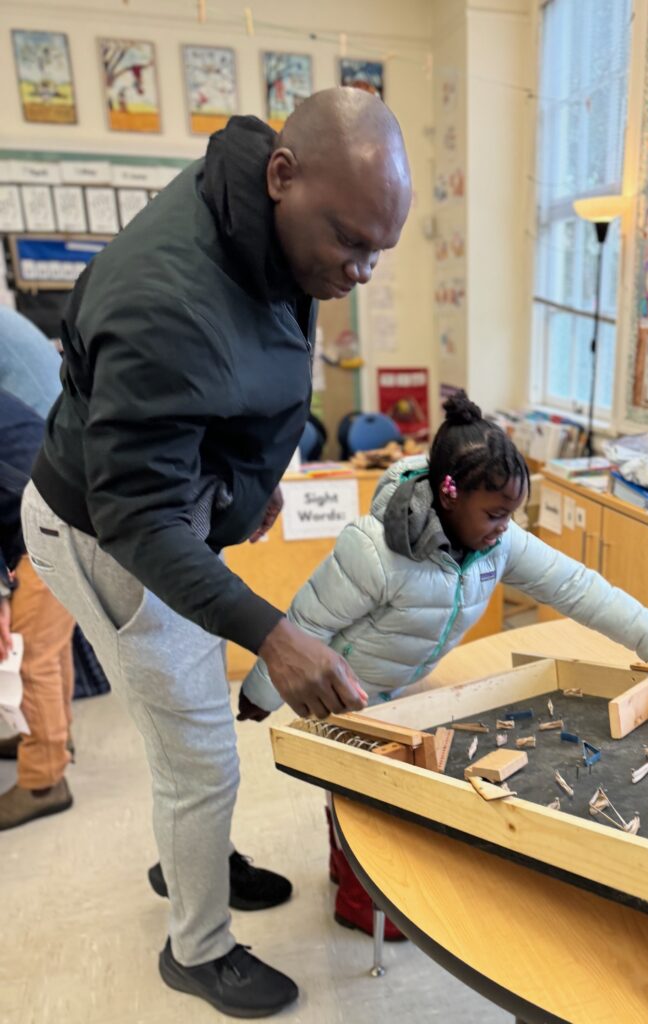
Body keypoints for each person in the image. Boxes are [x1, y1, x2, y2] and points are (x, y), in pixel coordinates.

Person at [21, 87, 412, 1018]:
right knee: (199, 754)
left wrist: (248, 480)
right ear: (282, 175)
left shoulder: (270, 223)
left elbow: (235, 383)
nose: (360, 272)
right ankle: (196, 949)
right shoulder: (166, 302)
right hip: (105, 535)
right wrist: (274, 635)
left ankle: (194, 854)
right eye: (350, 243)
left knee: (190, 737)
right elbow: (137, 521)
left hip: (164, 511)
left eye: (378, 251)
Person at [241, 391, 648, 932]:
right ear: (449, 495)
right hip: (346, 686)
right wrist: (261, 691)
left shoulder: (497, 542)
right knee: (362, 796)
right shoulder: (373, 551)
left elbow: (574, 585)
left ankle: (345, 872)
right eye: (495, 514)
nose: (505, 526)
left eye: (511, 514)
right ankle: (358, 904)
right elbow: (305, 623)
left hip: (401, 679)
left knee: (366, 794)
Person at [0, 389, 76, 830]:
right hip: (64, 511)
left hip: (45, 524)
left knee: (29, 655)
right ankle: (53, 738)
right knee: (50, 646)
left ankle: (43, 780)